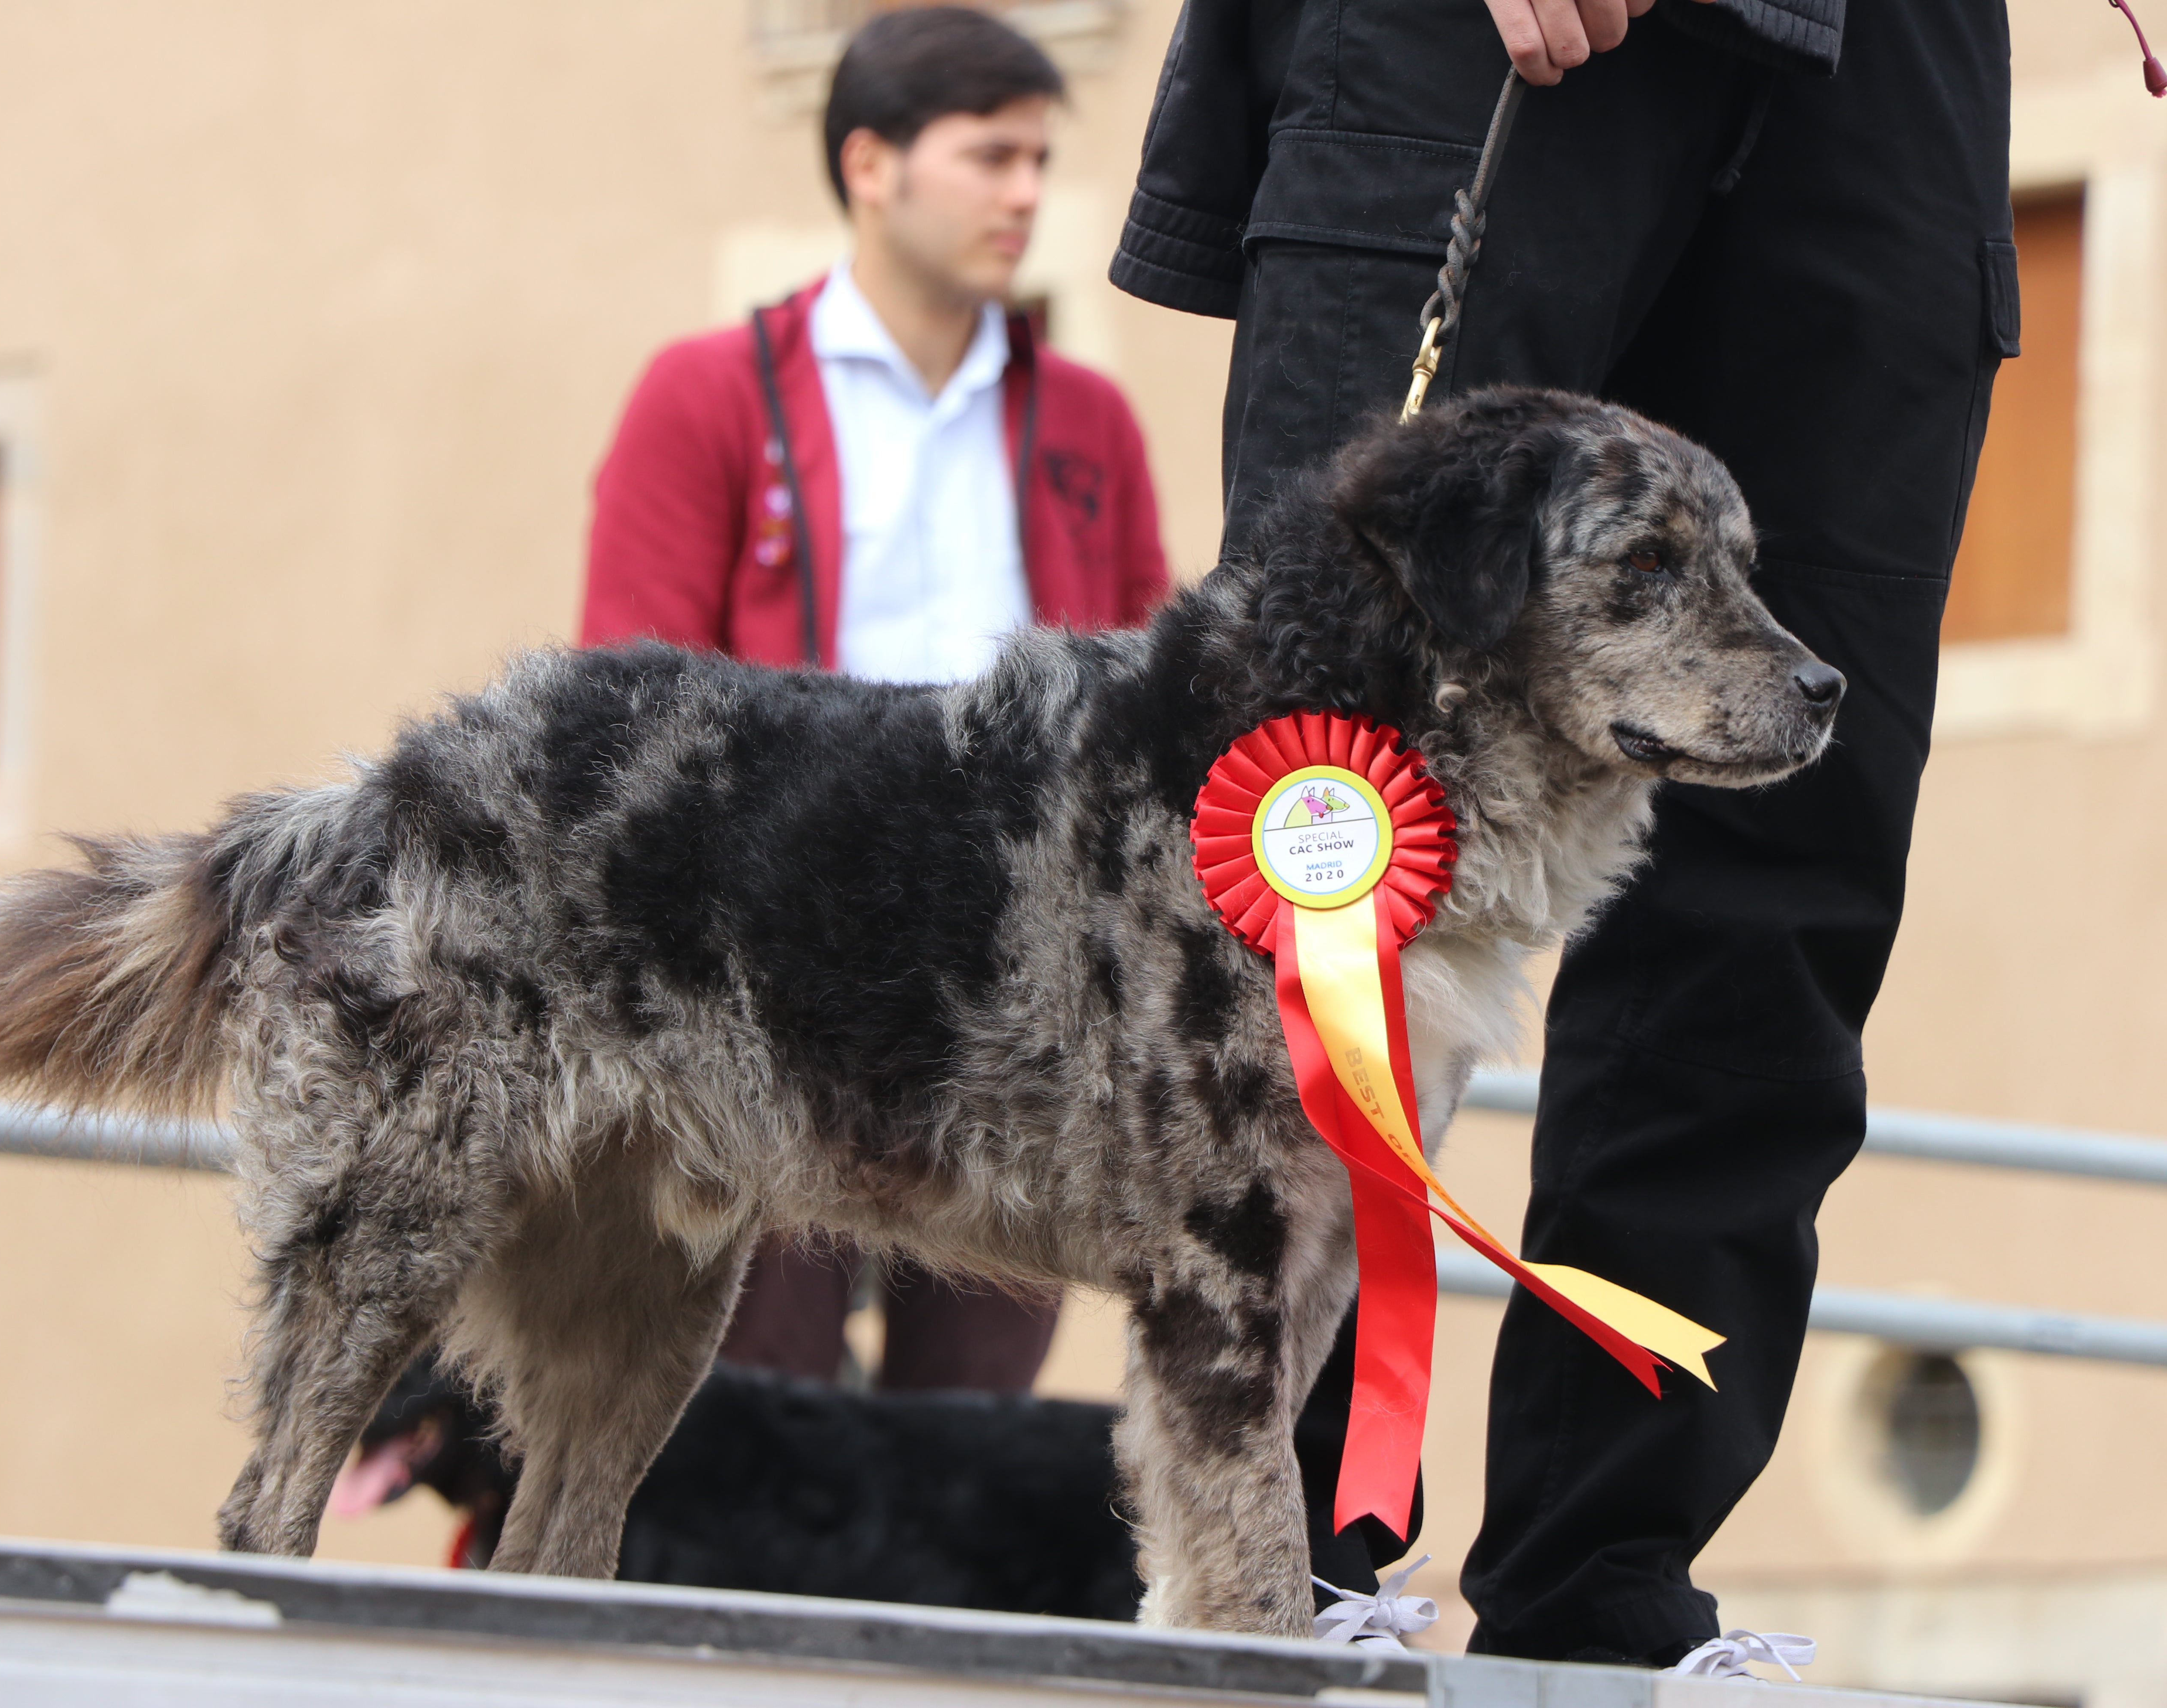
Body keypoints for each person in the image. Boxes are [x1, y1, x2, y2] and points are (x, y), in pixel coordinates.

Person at [1111, 0, 2009, 1666]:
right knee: (1328, 791)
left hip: (1889, 63)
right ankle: (1265, 1576)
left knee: (1785, 830)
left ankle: (1609, 1589)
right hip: (1490, 40)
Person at [583, 5, 1171, 1394]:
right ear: (870, 164)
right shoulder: (706, 395)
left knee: (969, 1405)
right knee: (746, 1389)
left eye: (1040, 159)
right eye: (990, 156)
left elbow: (1146, 708)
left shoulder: (1089, 422)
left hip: (1016, 970)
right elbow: (630, 698)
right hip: (769, 962)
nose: (1026, 193)